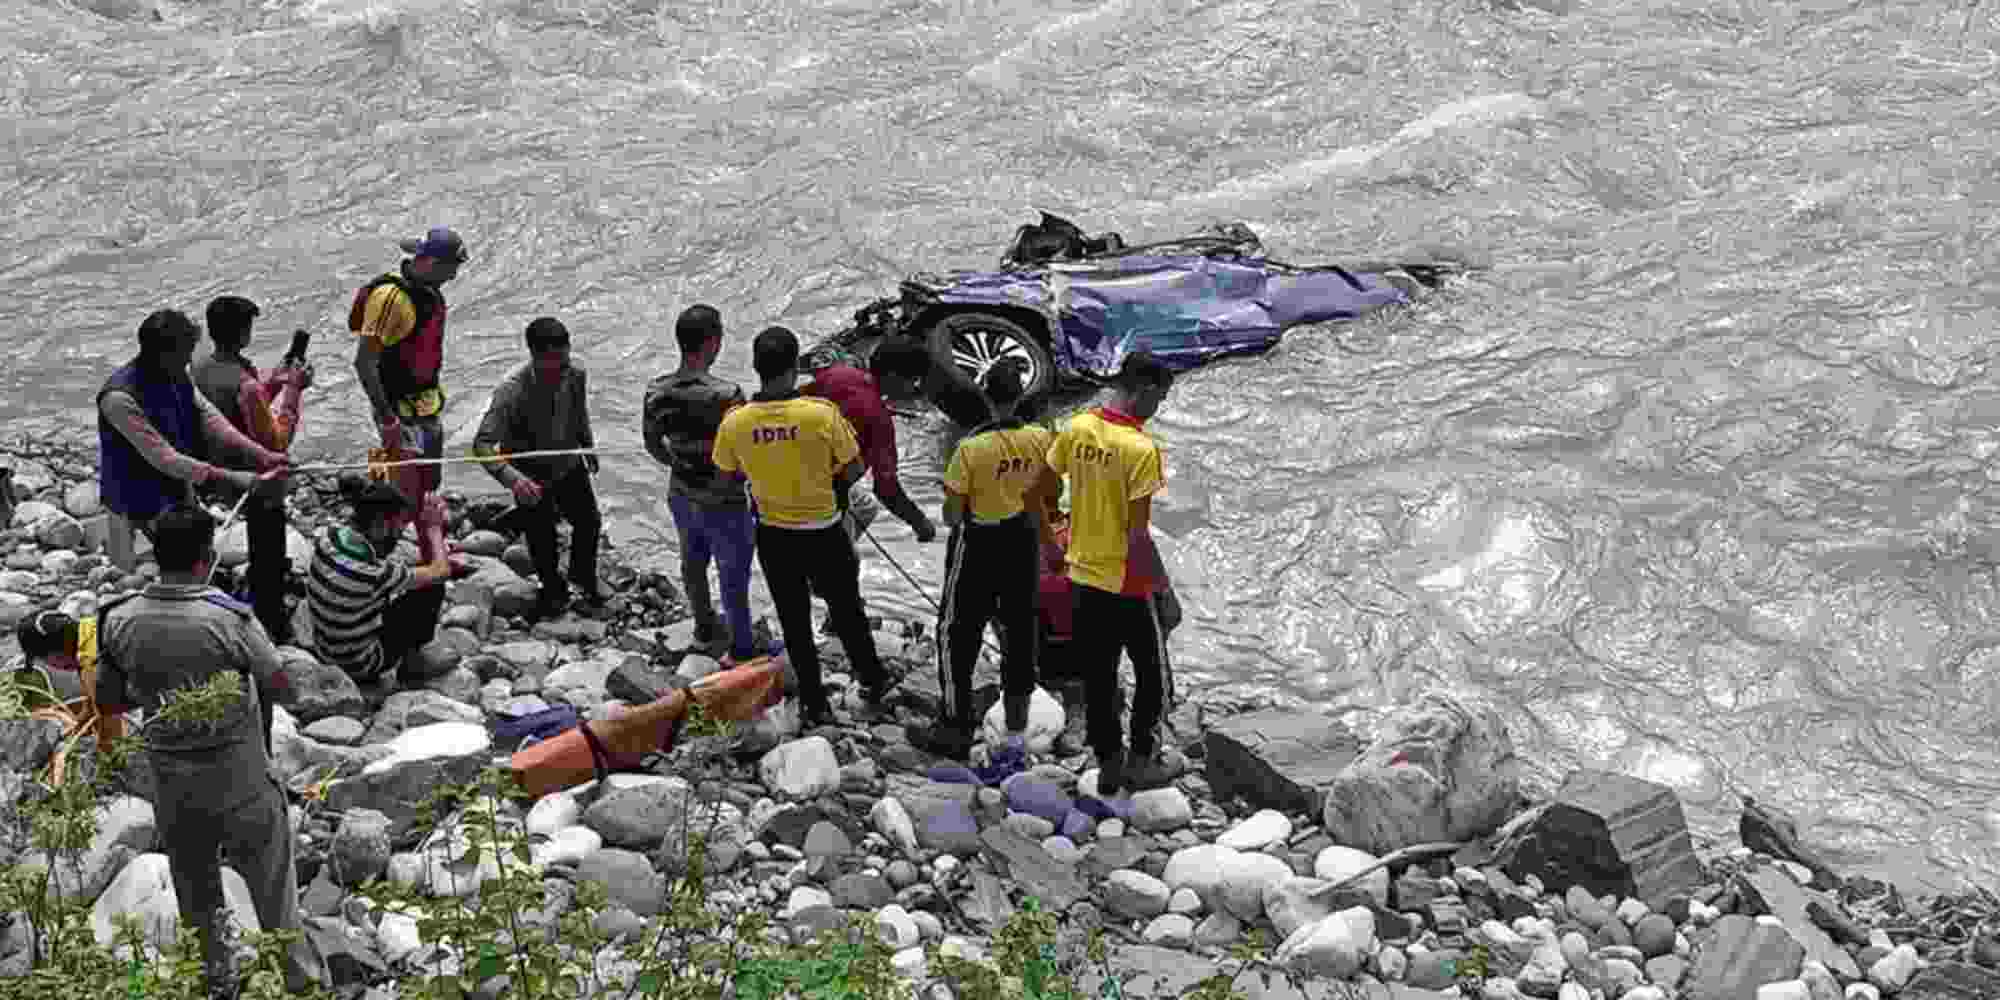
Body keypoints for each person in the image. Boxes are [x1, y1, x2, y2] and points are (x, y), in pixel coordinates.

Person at [91, 505, 327, 997]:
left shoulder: (117, 619)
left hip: (174, 788)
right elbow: (281, 686)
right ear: (206, 558)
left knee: (196, 892)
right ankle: (299, 982)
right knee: (273, 889)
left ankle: (216, 980)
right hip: (241, 780)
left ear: (157, 557)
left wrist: (159, 693)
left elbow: (110, 699)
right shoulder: (229, 619)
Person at [712, 326, 893, 726]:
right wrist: (831, 487)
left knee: (793, 619)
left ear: (756, 368)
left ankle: (814, 701)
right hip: (825, 531)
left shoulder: (735, 423)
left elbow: (726, 479)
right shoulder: (821, 414)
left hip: (774, 535)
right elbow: (856, 468)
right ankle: (872, 679)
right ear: (796, 368)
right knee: (848, 611)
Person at [1038, 351, 1179, 795]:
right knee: (1152, 674)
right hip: (1126, 582)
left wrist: (1050, 541)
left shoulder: (1078, 427)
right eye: (1160, 397)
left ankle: (1109, 763)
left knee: (1099, 676)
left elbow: (1041, 485)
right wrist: (1163, 589)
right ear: (1146, 390)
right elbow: (1138, 535)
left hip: (1082, 576)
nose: (1159, 407)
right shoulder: (1141, 450)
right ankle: (1143, 757)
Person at [909, 360, 1057, 760]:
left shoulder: (970, 449)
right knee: (1019, 638)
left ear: (986, 397)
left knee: (957, 634)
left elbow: (952, 515)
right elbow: (1051, 493)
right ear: (1020, 397)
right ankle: (1013, 736)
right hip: (1023, 545)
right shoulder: (1041, 439)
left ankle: (956, 726)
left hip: (977, 547)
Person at [97, 309, 291, 571]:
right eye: (185, 351)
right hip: (131, 492)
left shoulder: (178, 374)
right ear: (162, 354)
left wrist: (260, 454)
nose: (190, 359)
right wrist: (232, 477)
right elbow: (164, 458)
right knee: (129, 574)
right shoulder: (119, 398)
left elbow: (210, 417)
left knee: (190, 555)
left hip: (177, 481)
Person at [642, 305, 763, 662]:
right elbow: (746, 452)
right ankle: (741, 646)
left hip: (681, 492)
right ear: (712, 342)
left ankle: (703, 626)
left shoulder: (656, 392)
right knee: (733, 571)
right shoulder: (727, 394)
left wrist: (678, 463)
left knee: (693, 561)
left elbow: (653, 445)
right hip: (724, 498)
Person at [190, 295, 314, 641]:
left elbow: (237, 410)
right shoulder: (244, 384)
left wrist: (274, 383)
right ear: (245, 332)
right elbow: (276, 442)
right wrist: (293, 391)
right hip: (255, 479)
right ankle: (270, 616)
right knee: (268, 543)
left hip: (215, 469)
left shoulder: (200, 367)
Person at [472, 317, 606, 619]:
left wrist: (587, 445)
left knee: (589, 522)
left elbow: (578, 410)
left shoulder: (575, 372)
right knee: (542, 536)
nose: (561, 369)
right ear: (534, 355)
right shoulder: (511, 390)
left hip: (568, 463)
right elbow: (482, 445)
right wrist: (513, 480)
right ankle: (553, 589)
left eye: (565, 358)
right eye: (554, 363)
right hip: (529, 473)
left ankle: (583, 577)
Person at [306, 475, 460, 685]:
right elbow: (441, 571)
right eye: (397, 528)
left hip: (325, 651)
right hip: (361, 665)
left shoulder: (329, 537)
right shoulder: (372, 573)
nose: (398, 536)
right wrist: (434, 529)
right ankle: (412, 667)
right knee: (431, 589)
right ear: (379, 525)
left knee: (402, 583)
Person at [350, 225, 465, 506]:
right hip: (397, 407)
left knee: (429, 479)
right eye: (452, 268)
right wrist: (389, 419)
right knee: (405, 485)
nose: (454, 276)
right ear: (433, 263)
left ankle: (382, 482)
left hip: (424, 402)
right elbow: (364, 362)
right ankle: (387, 519)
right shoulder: (390, 299)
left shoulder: (426, 290)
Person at [803, 337, 938, 545]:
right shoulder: (878, 420)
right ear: (893, 377)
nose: (915, 388)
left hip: (790, 466)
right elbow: (886, 489)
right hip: (822, 493)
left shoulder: (841, 373)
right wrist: (920, 523)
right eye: (913, 380)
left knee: (865, 506)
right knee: (844, 562)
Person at [13, 608, 127, 762]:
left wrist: (106, 763)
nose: (51, 666)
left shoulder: (92, 663)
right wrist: (70, 733)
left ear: (54, 653)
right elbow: (91, 707)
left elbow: (111, 728)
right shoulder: (91, 628)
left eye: (44, 659)